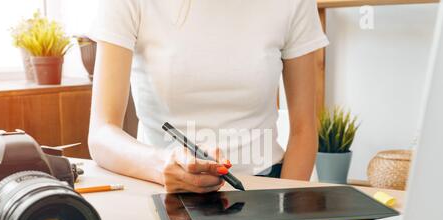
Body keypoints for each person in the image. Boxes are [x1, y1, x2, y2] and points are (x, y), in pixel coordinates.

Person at [88, 0, 329, 193]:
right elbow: (101, 134)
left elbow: (304, 129)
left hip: (266, 186)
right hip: (161, 189)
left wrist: (285, 205)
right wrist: (161, 165)